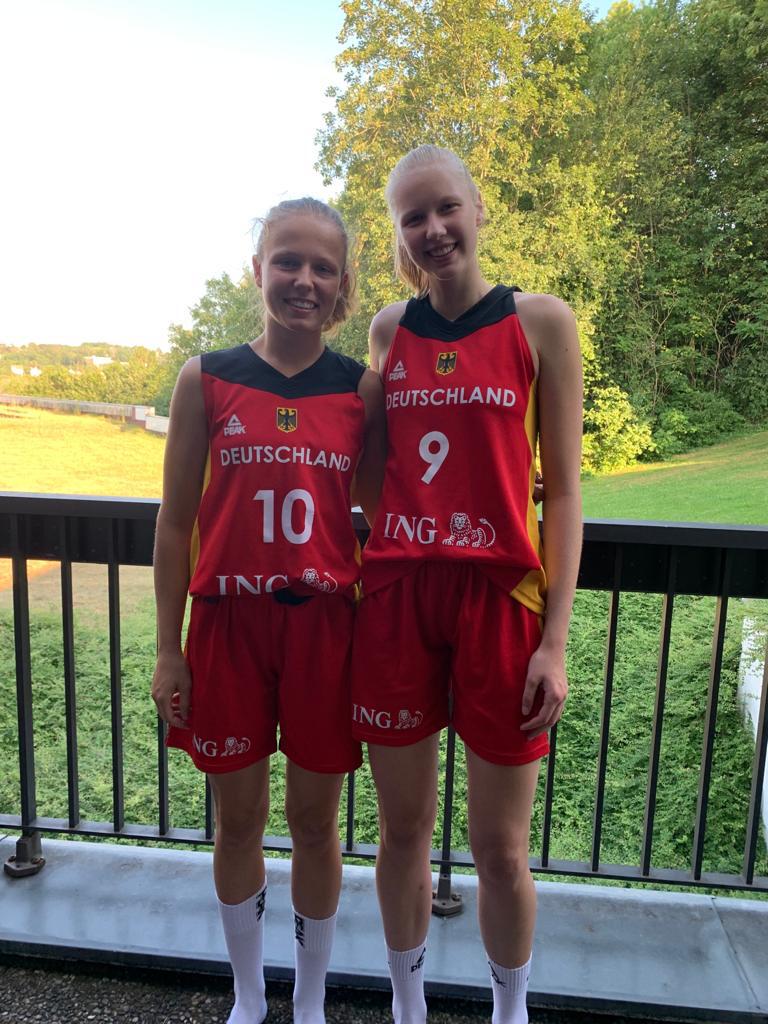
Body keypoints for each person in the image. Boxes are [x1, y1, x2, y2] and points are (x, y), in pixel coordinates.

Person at [351, 145, 583, 1024]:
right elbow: (371, 467)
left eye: (446, 207)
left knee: (500, 848)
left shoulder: (541, 322)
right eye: (412, 216)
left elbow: (565, 493)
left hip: (502, 602)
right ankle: (407, 1006)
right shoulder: (389, 331)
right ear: (398, 233)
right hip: (401, 600)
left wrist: (554, 642)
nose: (433, 228)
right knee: (402, 832)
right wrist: (412, 524)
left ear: (478, 208)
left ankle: (509, 1011)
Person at [151, 197, 384, 1024]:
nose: (303, 280)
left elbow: (389, 506)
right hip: (228, 625)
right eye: (288, 261)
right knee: (238, 821)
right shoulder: (206, 377)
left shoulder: (358, 388)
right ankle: (249, 995)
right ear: (258, 269)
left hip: (324, 626)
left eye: (323, 267)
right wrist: (169, 648)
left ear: (343, 283)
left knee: (316, 824)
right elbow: (174, 522)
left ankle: (310, 999)